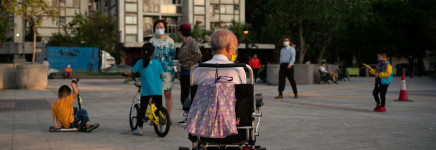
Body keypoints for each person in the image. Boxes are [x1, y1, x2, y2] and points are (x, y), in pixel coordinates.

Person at [124, 43, 164, 135]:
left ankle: (139, 129)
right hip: (157, 90)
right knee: (159, 108)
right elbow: (162, 75)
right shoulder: (157, 63)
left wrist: (125, 74)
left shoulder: (140, 62)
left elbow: (130, 72)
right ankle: (162, 126)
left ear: (142, 52)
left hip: (146, 91)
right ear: (153, 52)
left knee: (142, 109)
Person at [149, 20, 176, 121]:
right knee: (155, 94)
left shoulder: (170, 41)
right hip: (154, 72)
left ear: (165, 28)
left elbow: (173, 55)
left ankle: (167, 117)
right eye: (157, 27)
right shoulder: (151, 41)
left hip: (167, 71)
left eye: (161, 26)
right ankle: (155, 117)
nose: (159, 28)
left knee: (167, 93)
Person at [177, 24, 202, 124]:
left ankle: (190, 117)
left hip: (189, 72)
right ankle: (188, 115)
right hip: (183, 71)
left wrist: (193, 63)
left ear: (181, 32)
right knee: (184, 95)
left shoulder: (191, 41)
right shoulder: (184, 42)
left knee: (187, 95)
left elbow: (198, 54)